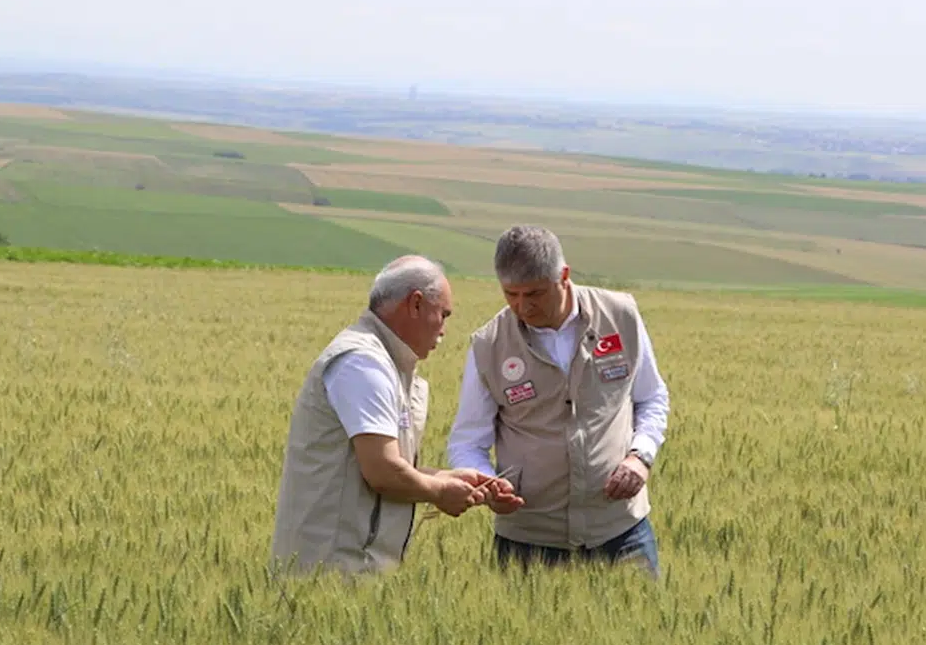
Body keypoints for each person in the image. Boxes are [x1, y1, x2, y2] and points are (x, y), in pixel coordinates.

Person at [271, 255, 522, 576]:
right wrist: (439, 493)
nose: (443, 331)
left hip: (351, 565)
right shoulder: (363, 363)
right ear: (415, 304)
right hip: (333, 568)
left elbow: (375, 467)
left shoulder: (384, 362)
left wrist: (446, 478)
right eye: (442, 315)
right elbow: (382, 471)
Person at [448, 226, 670, 576]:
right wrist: (489, 484)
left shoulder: (621, 315)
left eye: (535, 293)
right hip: (529, 540)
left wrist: (640, 457)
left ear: (564, 276)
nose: (523, 306)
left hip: (620, 529)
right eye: (511, 294)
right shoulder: (488, 345)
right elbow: (467, 442)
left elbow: (651, 397)